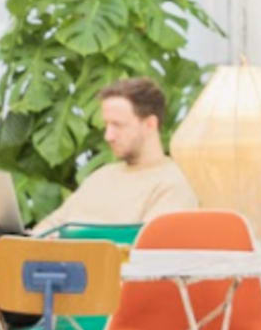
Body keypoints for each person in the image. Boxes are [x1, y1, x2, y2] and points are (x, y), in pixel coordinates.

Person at [35, 77, 198, 231]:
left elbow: (146, 250)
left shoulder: (173, 183)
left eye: (118, 125)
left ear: (150, 124)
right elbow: (49, 226)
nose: (108, 136)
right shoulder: (101, 176)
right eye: (107, 125)